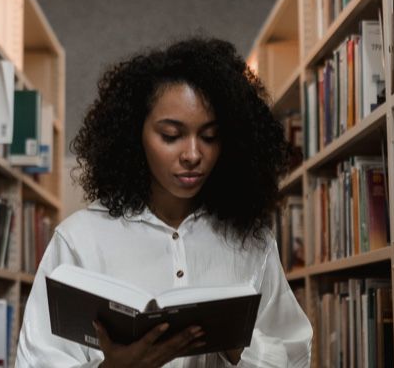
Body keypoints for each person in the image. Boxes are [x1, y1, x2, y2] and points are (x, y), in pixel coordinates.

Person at [16, 37, 313, 367]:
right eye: (171, 136)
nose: (192, 154)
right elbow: (37, 360)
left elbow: (295, 353)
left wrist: (239, 348)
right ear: (134, 135)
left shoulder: (251, 242)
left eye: (210, 137)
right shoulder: (78, 240)